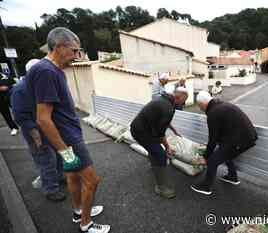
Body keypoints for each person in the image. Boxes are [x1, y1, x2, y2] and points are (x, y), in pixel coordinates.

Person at [25, 27, 110, 233]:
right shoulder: (46, 71)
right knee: (92, 181)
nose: (76, 56)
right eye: (74, 50)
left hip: (69, 134)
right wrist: (65, 151)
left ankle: (79, 211)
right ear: (59, 46)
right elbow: (43, 119)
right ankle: (86, 224)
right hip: (68, 139)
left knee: (73, 177)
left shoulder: (52, 70)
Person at [11, 58, 68, 202]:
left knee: (58, 155)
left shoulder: (40, 86)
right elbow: (20, 116)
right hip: (35, 132)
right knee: (46, 160)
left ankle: (60, 178)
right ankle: (51, 189)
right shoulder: (20, 89)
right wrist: (36, 137)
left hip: (50, 128)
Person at [190, 91, 258, 195]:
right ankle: (232, 177)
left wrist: (205, 157)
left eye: (199, 106)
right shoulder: (221, 105)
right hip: (247, 136)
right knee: (225, 153)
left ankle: (206, 186)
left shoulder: (213, 113)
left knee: (213, 160)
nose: (200, 109)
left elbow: (212, 139)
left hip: (240, 140)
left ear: (203, 104)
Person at [130, 87, 188, 199]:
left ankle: (155, 165)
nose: (184, 103)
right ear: (179, 97)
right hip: (142, 132)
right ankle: (162, 188)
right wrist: (167, 147)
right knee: (161, 154)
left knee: (155, 150)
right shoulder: (168, 108)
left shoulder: (164, 99)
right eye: (184, 101)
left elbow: (164, 121)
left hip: (140, 128)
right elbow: (161, 133)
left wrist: (174, 131)